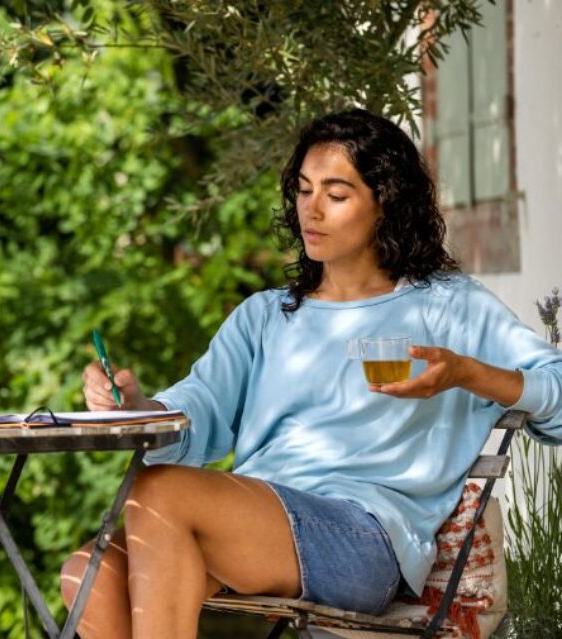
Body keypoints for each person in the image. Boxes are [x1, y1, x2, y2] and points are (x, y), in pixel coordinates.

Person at [60, 108, 562, 639]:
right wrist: (138, 409)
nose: (311, 210)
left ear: (385, 205)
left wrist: (467, 373)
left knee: (158, 492)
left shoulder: (447, 307)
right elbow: (199, 411)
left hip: (364, 538)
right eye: (303, 190)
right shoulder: (265, 316)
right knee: (88, 574)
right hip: (254, 528)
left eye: (336, 195)